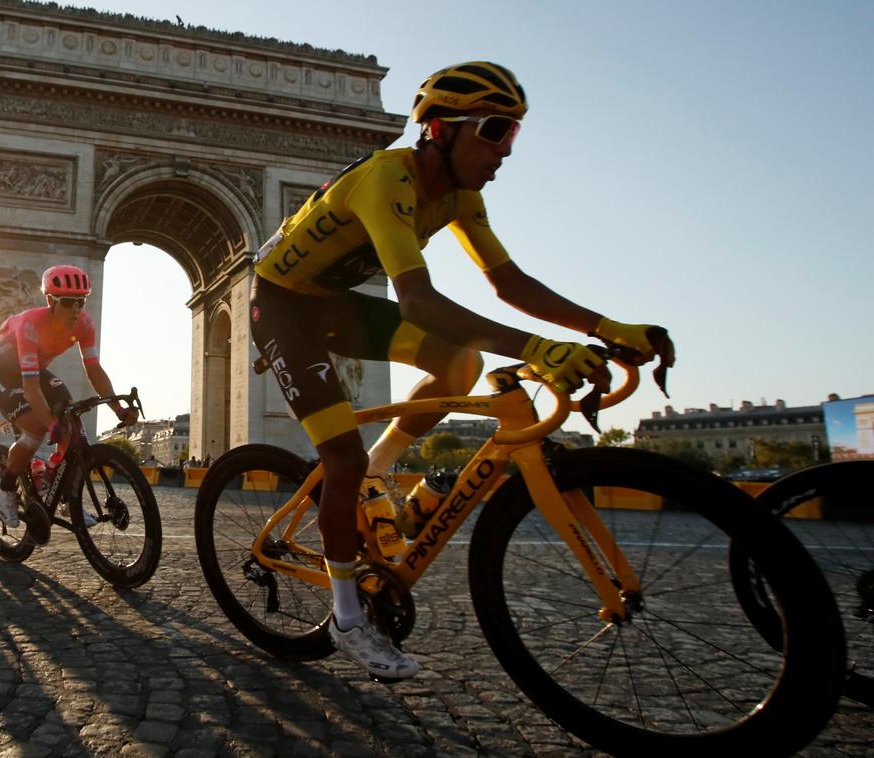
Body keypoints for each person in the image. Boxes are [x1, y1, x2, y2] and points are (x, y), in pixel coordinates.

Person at [248, 61, 674, 680]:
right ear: (440, 131)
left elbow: (508, 282)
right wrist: (537, 350)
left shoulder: (461, 197)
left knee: (460, 362)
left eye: (515, 134)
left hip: (334, 304)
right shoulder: (385, 178)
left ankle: (381, 475)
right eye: (495, 130)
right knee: (342, 457)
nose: (505, 150)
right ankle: (346, 620)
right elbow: (418, 302)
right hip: (282, 304)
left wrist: (605, 329)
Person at [0, 264, 138, 541]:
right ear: (51, 301)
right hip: (0, 371)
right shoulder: (30, 324)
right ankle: (5, 486)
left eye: (81, 301)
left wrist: (118, 407)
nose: (76, 309)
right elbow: (30, 388)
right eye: (68, 302)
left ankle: (58, 486)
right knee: (37, 428)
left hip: (33, 369)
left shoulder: (85, 324)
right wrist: (50, 423)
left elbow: (93, 369)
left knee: (69, 415)